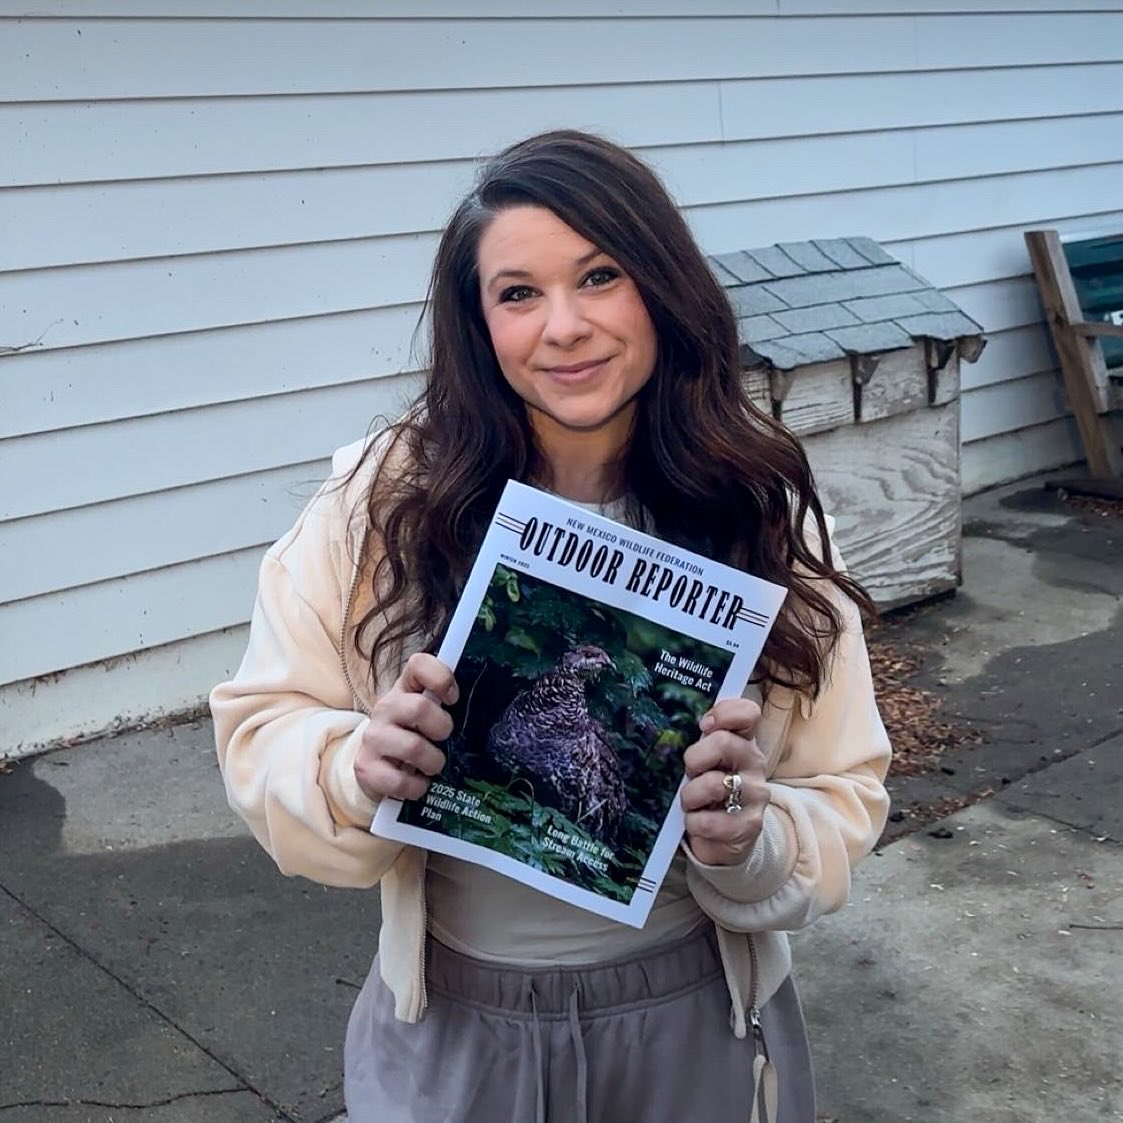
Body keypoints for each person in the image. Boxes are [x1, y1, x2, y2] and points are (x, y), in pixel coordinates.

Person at [211, 129, 891, 1123]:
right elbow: (260, 729)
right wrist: (357, 766)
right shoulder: (381, 499)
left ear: (664, 287)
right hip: (456, 1022)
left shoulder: (754, 506)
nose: (563, 326)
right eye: (517, 293)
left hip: (692, 1015)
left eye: (599, 276)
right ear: (478, 322)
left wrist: (749, 840)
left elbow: (841, 785)